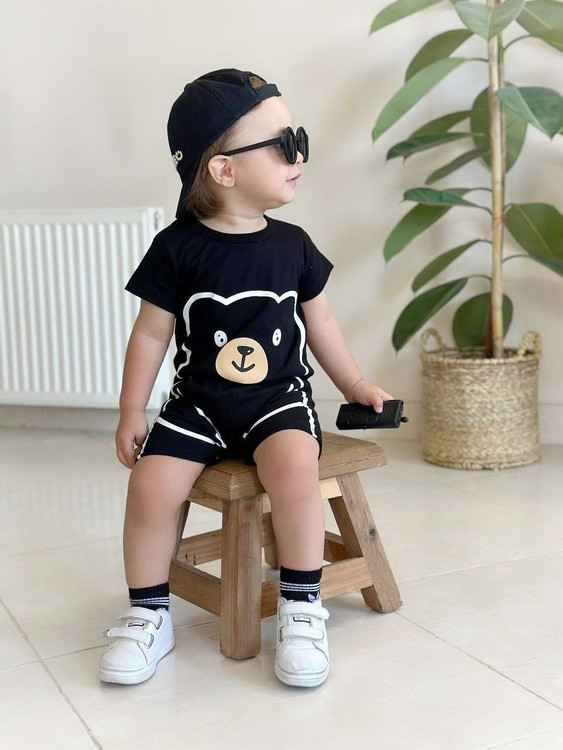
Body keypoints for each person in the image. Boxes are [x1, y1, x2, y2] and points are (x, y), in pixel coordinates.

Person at [99, 69, 393, 688]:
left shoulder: (294, 246)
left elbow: (321, 323)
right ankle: (148, 612)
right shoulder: (176, 248)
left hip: (278, 402)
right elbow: (150, 335)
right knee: (150, 486)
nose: (299, 156)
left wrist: (355, 385)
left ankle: (301, 605)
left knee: (295, 472)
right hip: (198, 405)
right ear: (224, 170)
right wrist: (131, 410)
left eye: (299, 140)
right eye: (284, 144)